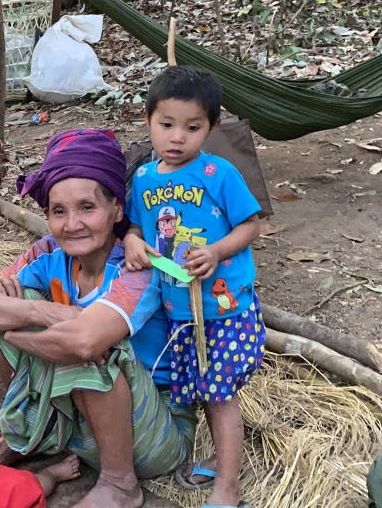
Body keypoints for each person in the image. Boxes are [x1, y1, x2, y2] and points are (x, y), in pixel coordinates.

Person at [0, 129, 198, 508]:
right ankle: (31, 434)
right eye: (59, 211)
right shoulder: (48, 252)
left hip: (154, 429)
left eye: (87, 208)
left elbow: (86, 342)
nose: (71, 224)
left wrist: (17, 333)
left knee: (87, 348)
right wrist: (49, 312)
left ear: (117, 209)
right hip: (82, 419)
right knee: (23, 299)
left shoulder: (135, 266)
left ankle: (121, 485)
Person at [123, 65, 263, 508]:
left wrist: (217, 251)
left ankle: (228, 486)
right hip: (180, 312)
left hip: (223, 308)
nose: (177, 137)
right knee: (204, 393)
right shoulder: (144, 180)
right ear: (148, 120)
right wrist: (130, 239)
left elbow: (251, 225)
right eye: (166, 125)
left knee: (219, 397)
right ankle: (221, 462)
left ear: (212, 127)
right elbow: (134, 227)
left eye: (192, 127)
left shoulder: (218, 173)